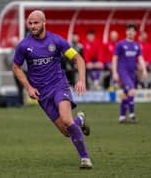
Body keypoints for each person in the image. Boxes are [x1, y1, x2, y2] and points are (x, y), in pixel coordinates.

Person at [13, 10, 93, 169]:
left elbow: (78, 59)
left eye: (36, 23)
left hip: (59, 86)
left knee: (66, 119)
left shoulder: (56, 41)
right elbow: (16, 67)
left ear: (44, 23)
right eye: (30, 23)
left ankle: (85, 159)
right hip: (42, 94)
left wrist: (81, 80)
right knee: (66, 131)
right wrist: (28, 87)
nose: (33, 26)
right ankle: (80, 120)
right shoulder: (24, 45)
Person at [112, 24, 148, 123]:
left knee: (126, 94)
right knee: (132, 90)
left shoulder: (137, 45)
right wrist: (114, 72)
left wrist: (144, 69)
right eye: (129, 30)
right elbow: (115, 58)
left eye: (132, 30)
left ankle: (122, 117)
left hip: (132, 73)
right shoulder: (120, 44)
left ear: (135, 33)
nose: (130, 32)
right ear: (126, 32)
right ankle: (132, 115)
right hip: (123, 72)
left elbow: (140, 58)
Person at [5, 36, 26, 106]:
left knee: (24, 86)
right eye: (13, 42)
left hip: (24, 71)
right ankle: (21, 102)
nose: (15, 44)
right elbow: (9, 61)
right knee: (20, 87)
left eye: (16, 42)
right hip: (16, 72)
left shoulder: (23, 50)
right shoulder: (12, 52)